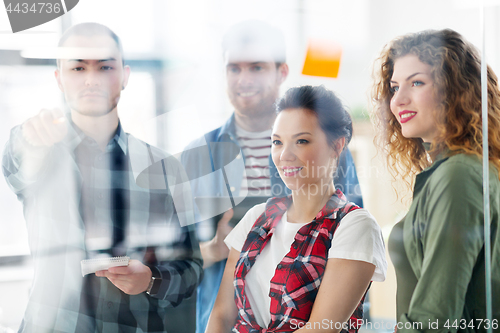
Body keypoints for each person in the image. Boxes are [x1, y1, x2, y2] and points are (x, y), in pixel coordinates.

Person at [2, 23, 202, 332]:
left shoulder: (163, 168)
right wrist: (29, 140)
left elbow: (190, 269)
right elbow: (16, 163)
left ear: (124, 76)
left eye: (105, 67)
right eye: (78, 68)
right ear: (60, 79)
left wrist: (150, 279)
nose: (92, 80)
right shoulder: (38, 151)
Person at [181, 21, 365, 333]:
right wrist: (213, 251)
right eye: (234, 68)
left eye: (257, 67)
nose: (244, 79)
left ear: (281, 72)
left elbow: (351, 244)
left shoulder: (327, 150)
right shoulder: (197, 156)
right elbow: (173, 258)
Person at [206, 85, 387, 333]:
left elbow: (320, 329)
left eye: (301, 141)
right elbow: (222, 315)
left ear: (337, 145)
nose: (285, 155)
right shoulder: (255, 218)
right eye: (277, 142)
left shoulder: (354, 225)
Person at [372, 28, 500, 332]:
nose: (398, 99)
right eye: (394, 87)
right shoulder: (451, 169)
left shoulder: (459, 174)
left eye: (416, 82)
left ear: (455, 90)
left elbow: (434, 318)